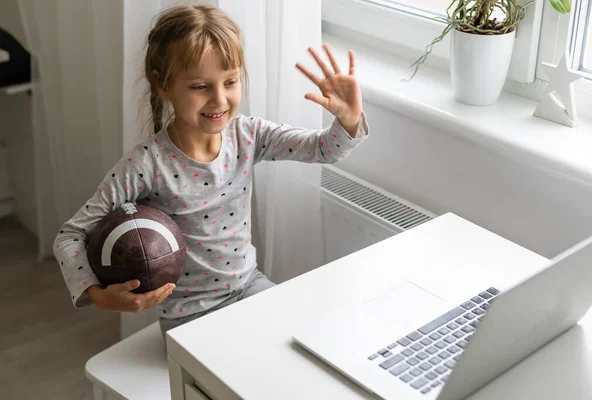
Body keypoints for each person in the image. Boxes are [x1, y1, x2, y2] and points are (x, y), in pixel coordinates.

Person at [53, 4, 370, 338]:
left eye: (230, 81)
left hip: (250, 287)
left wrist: (348, 118)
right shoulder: (145, 165)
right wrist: (99, 295)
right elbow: (70, 236)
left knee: (309, 344)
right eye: (200, 87)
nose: (220, 100)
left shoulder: (249, 135)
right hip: (188, 317)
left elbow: (323, 149)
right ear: (163, 85)